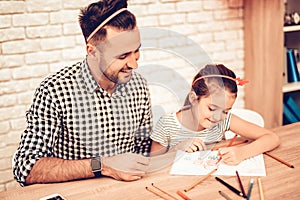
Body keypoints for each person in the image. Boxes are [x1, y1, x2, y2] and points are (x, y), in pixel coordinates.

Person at [13, 0, 153, 186]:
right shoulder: (55, 91)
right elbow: (25, 167)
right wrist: (102, 166)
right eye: (122, 56)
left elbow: (143, 150)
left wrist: (175, 145)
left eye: (136, 51)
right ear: (92, 51)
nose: (134, 64)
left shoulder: (138, 85)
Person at [150, 64, 280, 165]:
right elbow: (152, 164)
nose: (218, 117)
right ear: (193, 98)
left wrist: (242, 153)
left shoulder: (225, 120)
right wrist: (176, 149)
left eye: (225, 111)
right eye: (212, 109)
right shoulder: (167, 125)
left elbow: (272, 138)